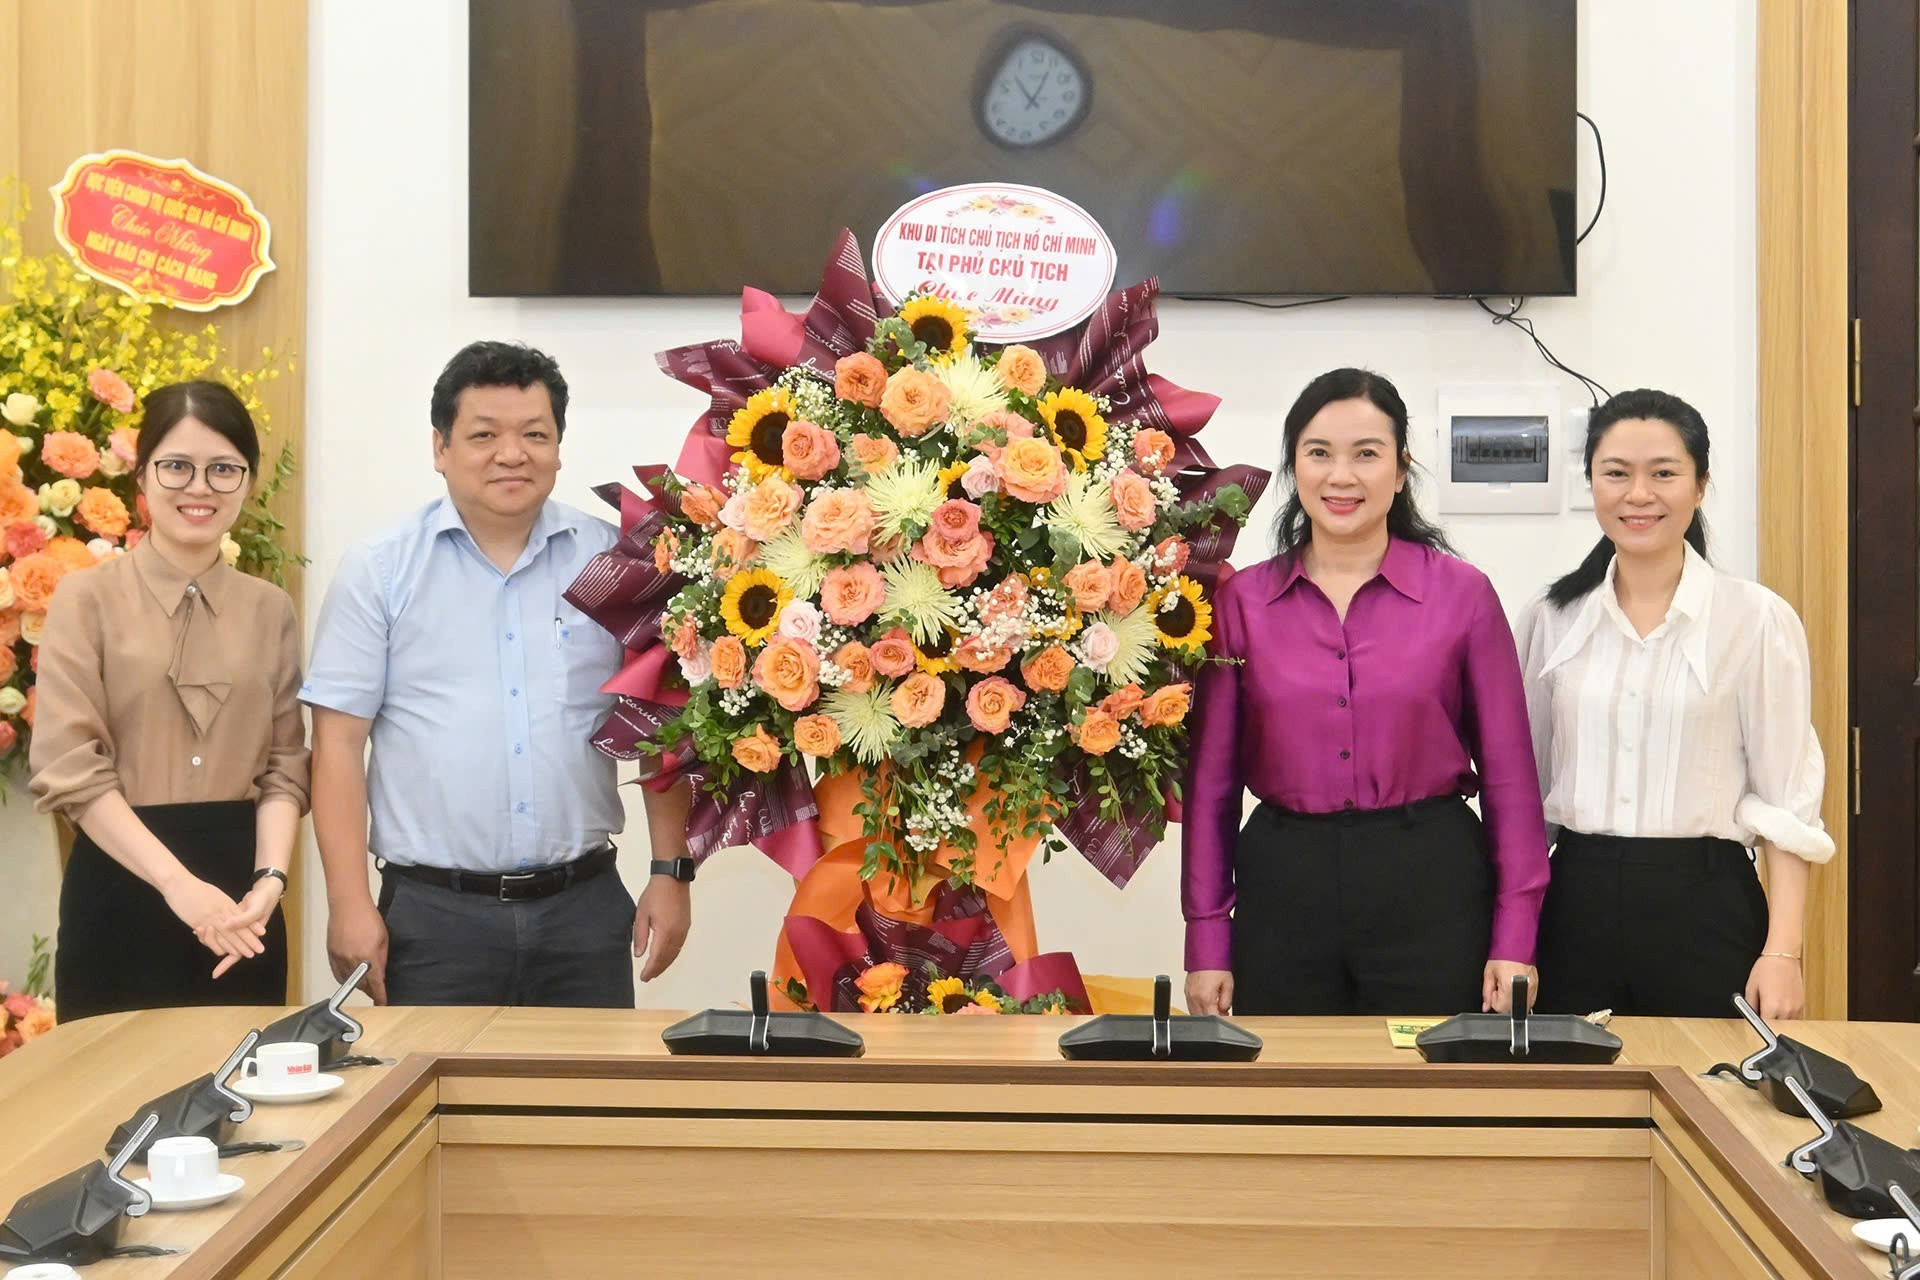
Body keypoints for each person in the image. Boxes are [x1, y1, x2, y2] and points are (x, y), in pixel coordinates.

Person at [304, 340, 694, 1007]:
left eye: (535, 434)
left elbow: (657, 720)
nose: (512, 454)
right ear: (440, 447)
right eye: (484, 435)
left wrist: (670, 870)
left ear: (559, 448)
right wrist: (348, 902)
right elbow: (337, 744)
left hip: (583, 911)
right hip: (432, 918)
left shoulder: (614, 562)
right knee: (432, 1081)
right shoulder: (380, 570)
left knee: (585, 1081)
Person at [1183, 367, 1549, 1018]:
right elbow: (1211, 784)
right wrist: (1207, 938)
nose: (1341, 476)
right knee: (1292, 1077)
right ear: (1295, 467)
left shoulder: (1463, 595)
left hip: (1432, 887)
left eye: (1367, 454)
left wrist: (1515, 937)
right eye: (1319, 453)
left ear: (1402, 470)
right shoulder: (1242, 602)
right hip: (1284, 890)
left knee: (1428, 1077)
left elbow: (1510, 778)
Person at [1517, 389, 1829, 1019]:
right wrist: (1512, 937)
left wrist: (1784, 952)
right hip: (1575, 904)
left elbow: (1787, 800)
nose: (1639, 494)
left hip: (1707, 905)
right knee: (1572, 1080)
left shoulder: (1756, 619)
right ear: (1591, 483)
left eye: (1663, 473)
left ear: (1700, 485)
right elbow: (1525, 792)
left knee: (1713, 1078)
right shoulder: (1551, 619)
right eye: (1616, 473)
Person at [31, 381, 306, 1020]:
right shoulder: (85, 600)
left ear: (248, 480)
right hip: (120, 886)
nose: (199, 487)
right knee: (112, 1081)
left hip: (242, 907)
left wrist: (270, 882)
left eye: (223, 469)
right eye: (177, 466)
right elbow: (70, 767)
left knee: (243, 1075)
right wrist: (178, 885)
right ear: (142, 476)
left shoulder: (271, 609)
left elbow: (285, 768)